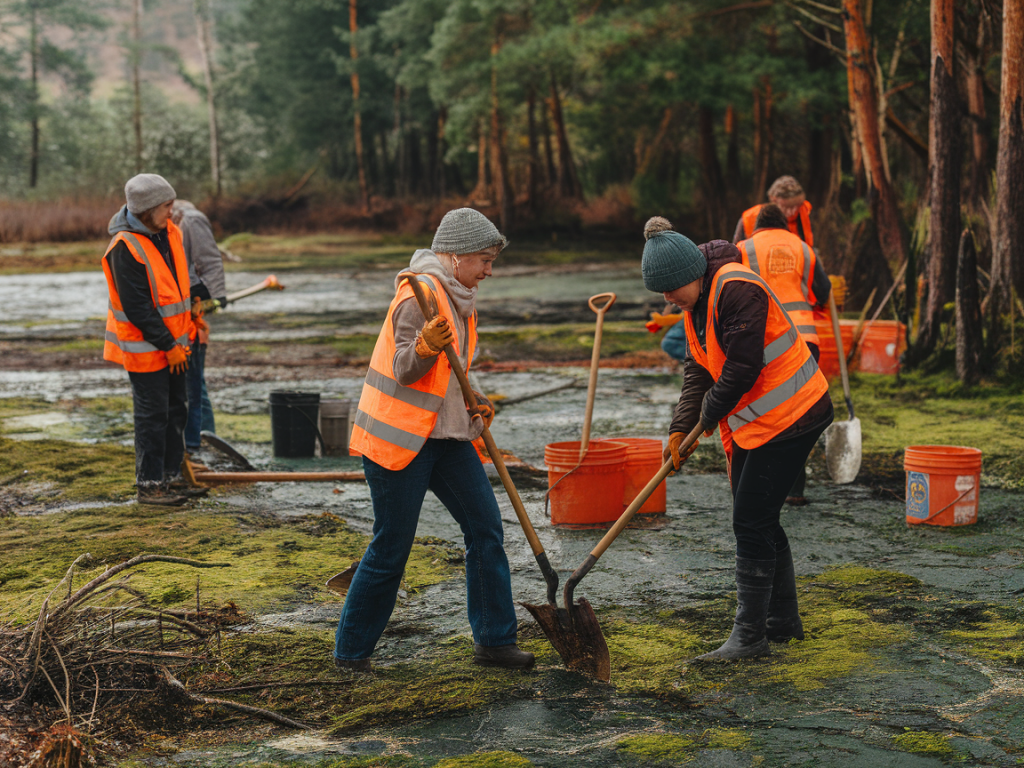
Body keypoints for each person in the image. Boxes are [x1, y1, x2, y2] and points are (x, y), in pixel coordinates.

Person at [334, 208, 533, 674]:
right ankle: (351, 654)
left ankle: (495, 641)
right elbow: (406, 368)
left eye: (492, 261)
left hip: (446, 436)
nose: (489, 270)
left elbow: (450, 373)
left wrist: (474, 398)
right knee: (392, 546)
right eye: (484, 259)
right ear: (456, 254)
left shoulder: (459, 297)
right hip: (399, 441)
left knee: (486, 529)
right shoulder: (418, 296)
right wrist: (423, 345)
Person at [642, 216, 833, 660]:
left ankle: (750, 637)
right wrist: (679, 428)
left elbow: (742, 370)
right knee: (759, 518)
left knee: (749, 520)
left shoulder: (736, 288)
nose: (667, 300)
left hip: (795, 413)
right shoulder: (696, 306)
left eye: (670, 289)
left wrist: (705, 420)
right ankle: (782, 623)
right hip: (760, 422)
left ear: (691, 274)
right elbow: (698, 371)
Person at [101, 174, 201, 506]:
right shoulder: (124, 248)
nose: (173, 212)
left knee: (177, 411)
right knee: (153, 416)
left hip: (176, 343)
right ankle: (150, 486)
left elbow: (181, 272)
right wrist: (169, 347)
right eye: (167, 206)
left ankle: (170, 478)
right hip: (147, 349)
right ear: (147, 209)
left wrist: (199, 294)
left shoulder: (167, 231)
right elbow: (138, 309)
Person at [736, 203, 832, 505]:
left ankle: (756, 482)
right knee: (798, 411)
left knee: (761, 409)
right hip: (805, 340)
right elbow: (824, 290)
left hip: (764, 341)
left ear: (757, 226)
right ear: (786, 225)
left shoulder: (743, 248)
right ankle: (794, 489)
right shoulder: (803, 247)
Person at [171, 200, 227, 456]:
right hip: (179, 318)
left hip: (192, 317)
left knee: (195, 387)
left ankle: (204, 442)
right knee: (194, 386)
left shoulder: (190, 220)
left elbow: (210, 260)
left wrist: (215, 294)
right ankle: (200, 441)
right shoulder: (161, 225)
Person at [733, 175, 814, 247]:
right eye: (785, 207)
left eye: (796, 207)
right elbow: (737, 252)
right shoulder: (750, 218)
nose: (791, 212)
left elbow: (811, 253)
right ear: (773, 201)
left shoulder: (804, 215)